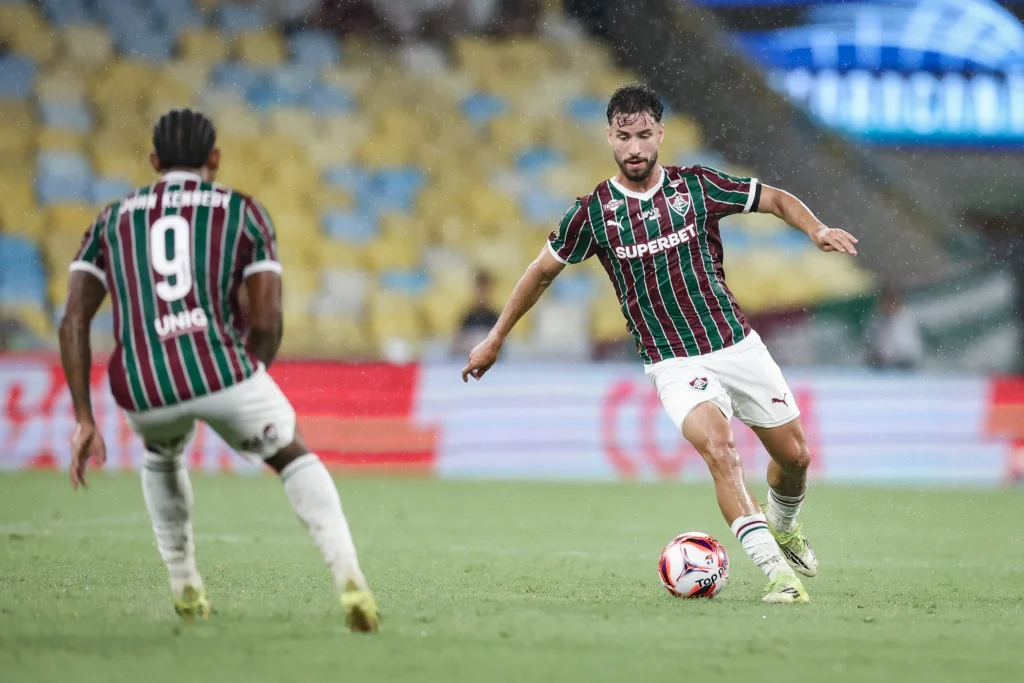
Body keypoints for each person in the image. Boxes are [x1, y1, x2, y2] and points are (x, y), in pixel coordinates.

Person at [462, 84, 860, 604]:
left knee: (796, 457)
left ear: (660, 135)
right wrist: (495, 338)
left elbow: (774, 198)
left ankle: (784, 528)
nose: (634, 147)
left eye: (644, 135)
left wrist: (816, 229)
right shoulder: (594, 213)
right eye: (624, 136)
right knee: (721, 451)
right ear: (610, 137)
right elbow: (540, 272)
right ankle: (777, 575)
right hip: (672, 360)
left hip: (735, 343)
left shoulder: (696, 187)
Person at [58, 109, 380, 631]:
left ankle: (185, 586)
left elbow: (74, 320)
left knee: (161, 454)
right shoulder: (241, 211)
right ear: (215, 158)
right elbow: (268, 318)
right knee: (291, 455)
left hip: (142, 384)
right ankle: (350, 579)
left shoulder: (111, 219)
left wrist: (83, 418)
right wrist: (249, 376)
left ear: (154, 161)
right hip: (221, 367)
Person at [863, 286, 924, 370]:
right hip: (883, 366)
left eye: (891, 302)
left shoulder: (906, 320)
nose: (887, 305)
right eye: (884, 302)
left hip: (904, 366)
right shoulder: (877, 321)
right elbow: (868, 346)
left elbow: (909, 352)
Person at [452, 270, 500, 356]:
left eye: (485, 291)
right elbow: (456, 345)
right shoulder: (467, 317)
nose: (482, 295)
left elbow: (501, 347)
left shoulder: (496, 318)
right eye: (479, 291)